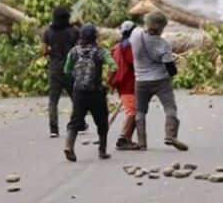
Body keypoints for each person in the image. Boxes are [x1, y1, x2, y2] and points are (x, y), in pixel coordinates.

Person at [130, 12, 188, 152]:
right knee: (170, 107)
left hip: (140, 80)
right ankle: (170, 135)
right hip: (161, 80)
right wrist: (176, 65)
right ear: (162, 28)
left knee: (140, 110)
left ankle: (142, 142)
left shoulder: (135, 34)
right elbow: (170, 69)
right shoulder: (164, 44)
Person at [63, 24, 117, 162]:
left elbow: (67, 71)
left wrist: (76, 81)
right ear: (95, 36)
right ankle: (102, 150)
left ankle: (69, 145)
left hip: (79, 93)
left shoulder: (73, 52)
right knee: (102, 121)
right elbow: (114, 66)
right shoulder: (101, 52)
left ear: (81, 36)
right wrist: (108, 82)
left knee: (75, 120)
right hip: (96, 92)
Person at [41, 6, 81, 138]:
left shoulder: (48, 32)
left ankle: (54, 129)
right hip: (70, 69)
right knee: (75, 97)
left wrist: (51, 52)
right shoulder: (74, 31)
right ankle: (76, 123)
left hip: (55, 69)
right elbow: (80, 47)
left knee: (53, 100)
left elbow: (43, 51)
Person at [108, 21, 138, 150]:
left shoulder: (118, 47)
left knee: (133, 110)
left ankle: (127, 138)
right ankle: (123, 138)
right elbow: (135, 63)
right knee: (132, 112)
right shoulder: (129, 47)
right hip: (129, 83)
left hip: (123, 83)